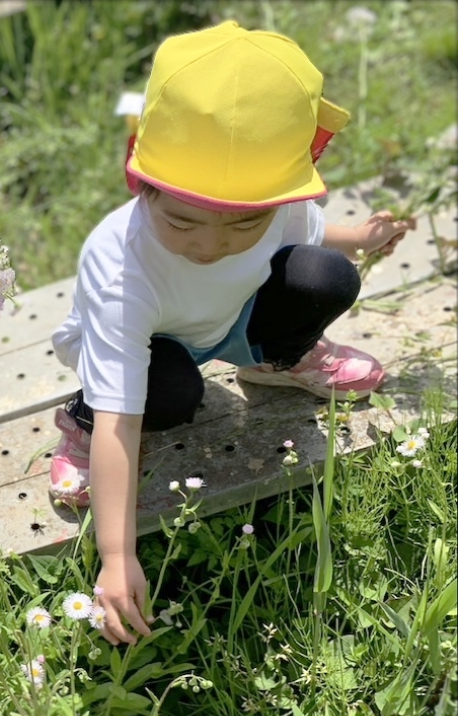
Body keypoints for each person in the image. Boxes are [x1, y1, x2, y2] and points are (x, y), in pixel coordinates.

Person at [47, 22, 416, 646]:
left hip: (228, 319)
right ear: (142, 184)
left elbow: (312, 231)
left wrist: (365, 239)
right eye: (183, 223)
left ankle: (272, 361)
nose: (212, 245)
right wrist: (117, 555)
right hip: (152, 350)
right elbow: (123, 418)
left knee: (327, 277)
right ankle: (72, 421)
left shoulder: (272, 201)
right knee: (166, 395)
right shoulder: (121, 269)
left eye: (244, 228)